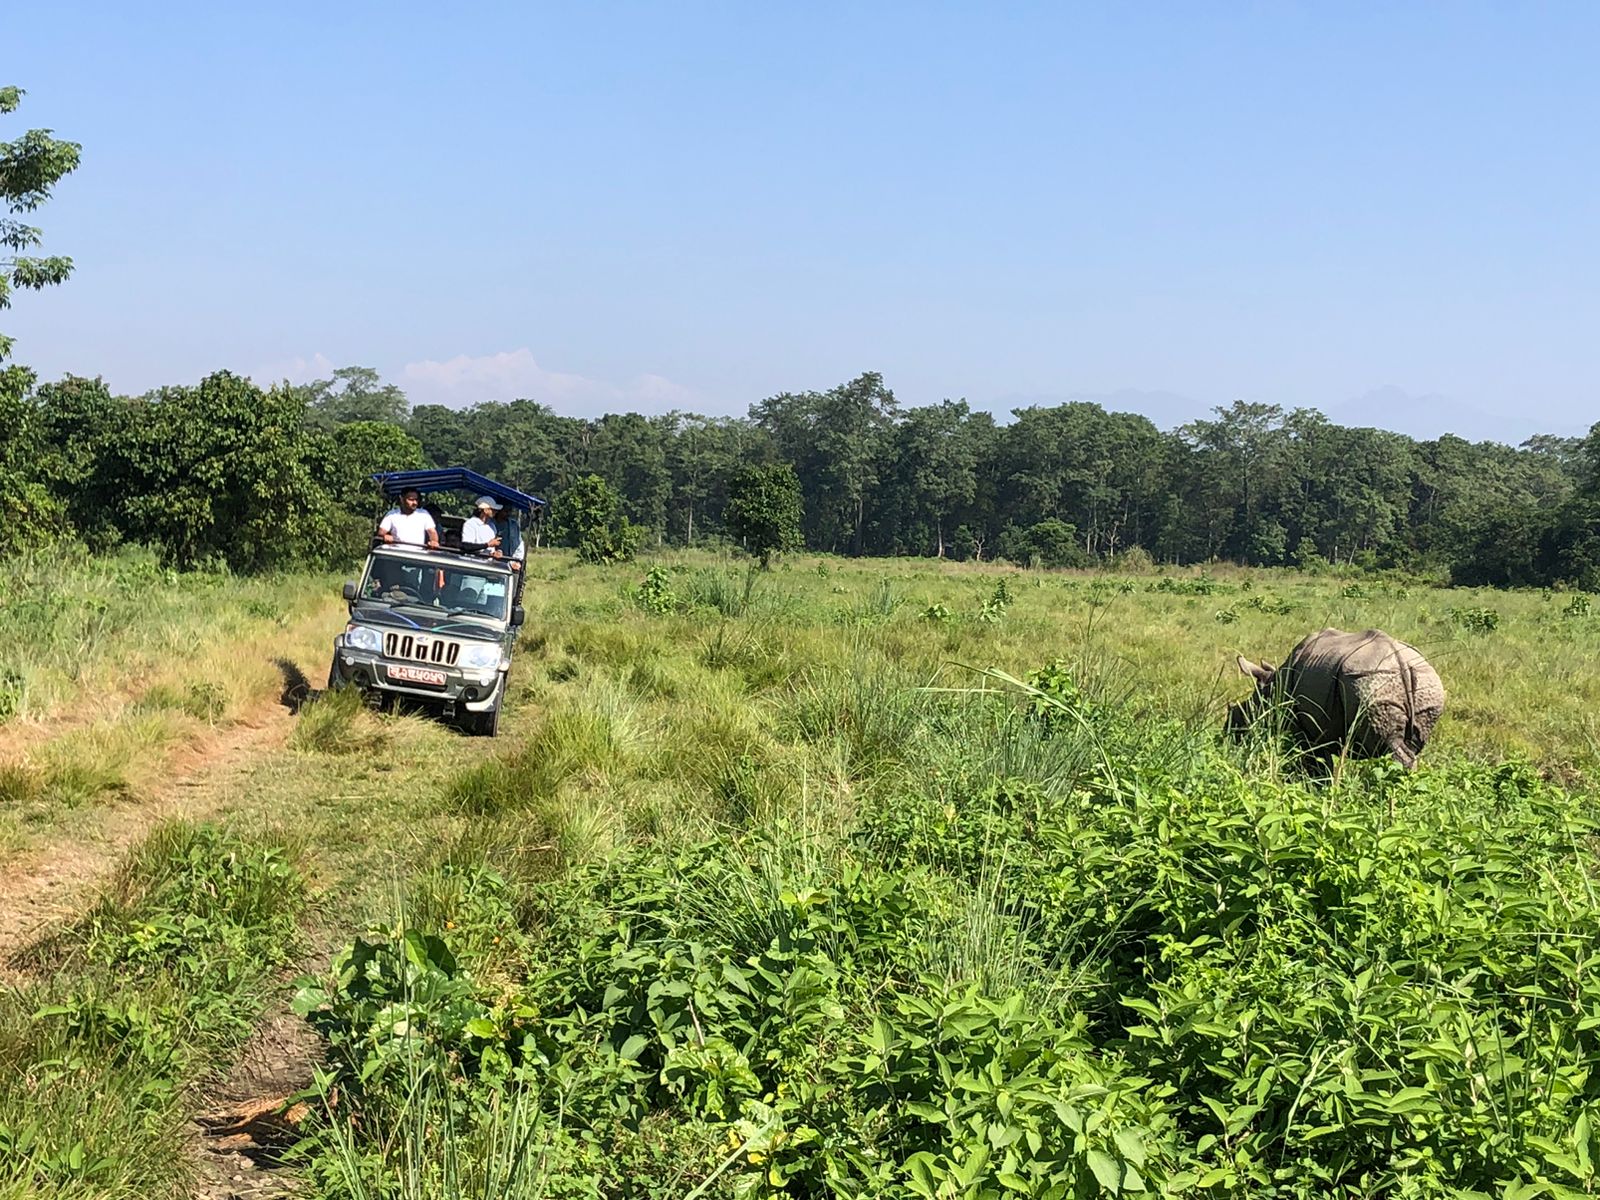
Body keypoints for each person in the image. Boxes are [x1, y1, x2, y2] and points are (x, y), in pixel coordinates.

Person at [461, 495, 524, 571]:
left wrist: (498, 552)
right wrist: (487, 545)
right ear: (485, 510)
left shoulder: (491, 526)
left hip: (489, 568)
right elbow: (466, 546)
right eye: (493, 509)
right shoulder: (470, 524)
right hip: (473, 566)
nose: (496, 511)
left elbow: (495, 545)